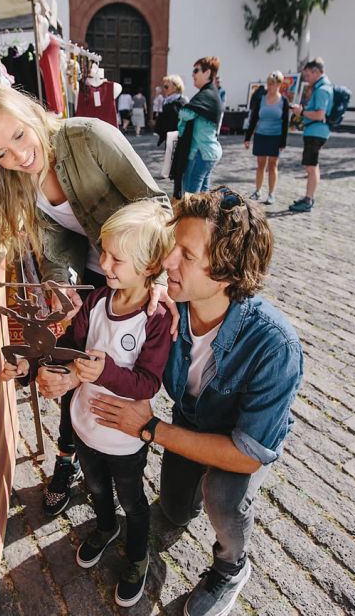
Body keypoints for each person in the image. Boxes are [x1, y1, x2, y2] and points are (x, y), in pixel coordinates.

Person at [45, 189, 303, 616]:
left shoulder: (275, 346)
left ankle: (231, 566)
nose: (168, 262)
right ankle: (173, 507)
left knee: (224, 495)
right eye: (172, 249)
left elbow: (246, 455)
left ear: (226, 270)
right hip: (189, 422)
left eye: (186, 254)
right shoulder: (169, 310)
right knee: (175, 508)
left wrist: (149, 429)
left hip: (236, 445)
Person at [0, 81, 174, 517]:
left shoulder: (88, 136)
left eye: (18, 135)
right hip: (95, 280)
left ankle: (145, 462)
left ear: (29, 113)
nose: (17, 156)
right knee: (78, 363)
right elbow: (58, 246)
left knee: (138, 369)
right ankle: (70, 456)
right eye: (0, 154)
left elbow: (156, 203)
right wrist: (63, 286)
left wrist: (160, 277)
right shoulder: (17, 183)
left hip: (136, 275)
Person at [14, 200, 173, 607]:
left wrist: (101, 373)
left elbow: (147, 383)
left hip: (124, 438)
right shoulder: (99, 299)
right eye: (102, 252)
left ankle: (138, 555)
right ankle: (105, 527)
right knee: (98, 488)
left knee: (133, 501)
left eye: (116, 258)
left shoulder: (153, 319)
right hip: (84, 426)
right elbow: (70, 346)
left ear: (150, 265)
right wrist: (35, 366)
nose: (104, 262)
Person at [171, 57, 224, 198]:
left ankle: (191, 219)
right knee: (203, 197)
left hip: (200, 153)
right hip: (207, 152)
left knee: (190, 198)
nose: (193, 74)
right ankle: (203, 219)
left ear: (207, 73)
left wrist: (180, 111)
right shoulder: (210, 94)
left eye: (196, 70)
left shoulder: (207, 95)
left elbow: (185, 113)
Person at [289, 58, 334, 212]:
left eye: (308, 75)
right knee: (312, 166)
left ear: (316, 71)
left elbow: (319, 114)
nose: (306, 79)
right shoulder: (323, 87)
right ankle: (309, 196)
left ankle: (308, 199)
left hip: (316, 131)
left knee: (311, 166)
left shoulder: (322, 90)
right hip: (316, 131)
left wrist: (301, 112)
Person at [244, 71, 289, 205]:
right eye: (268, 84)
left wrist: (283, 142)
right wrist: (248, 137)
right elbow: (254, 119)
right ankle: (257, 191)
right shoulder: (261, 99)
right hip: (261, 135)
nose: (270, 87)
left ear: (279, 85)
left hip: (275, 136)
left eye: (273, 84)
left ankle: (271, 193)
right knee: (260, 164)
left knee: (273, 165)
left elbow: (285, 122)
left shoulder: (284, 101)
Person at [153, 75, 187, 147]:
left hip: (178, 139)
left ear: (175, 87)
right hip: (169, 138)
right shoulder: (167, 101)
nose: (164, 89)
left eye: (166, 87)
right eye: (164, 87)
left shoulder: (181, 102)